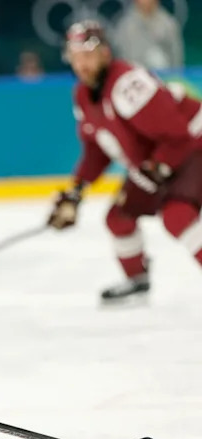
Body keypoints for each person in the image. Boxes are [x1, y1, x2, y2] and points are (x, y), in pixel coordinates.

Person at [48, 21, 202, 303]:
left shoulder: (127, 84)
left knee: (178, 216)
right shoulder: (83, 96)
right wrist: (76, 190)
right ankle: (136, 279)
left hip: (194, 143)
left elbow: (177, 136)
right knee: (119, 217)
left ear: (105, 53)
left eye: (88, 55)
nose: (81, 63)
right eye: (75, 56)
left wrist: (156, 168)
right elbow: (97, 149)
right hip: (164, 157)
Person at [114, 0, 183, 71]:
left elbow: (176, 56)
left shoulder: (168, 24)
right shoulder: (124, 26)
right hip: (134, 75)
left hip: (164, 76)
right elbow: (121, 58)